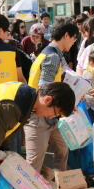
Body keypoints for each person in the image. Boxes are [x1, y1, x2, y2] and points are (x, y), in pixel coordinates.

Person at [26, 17, 79, 172]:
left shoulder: (49, 53)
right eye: (74, 38)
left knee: (62, 151)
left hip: (52, 115)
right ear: (66, 35)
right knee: (34, 163)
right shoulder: (53, 56)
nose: (74, 42)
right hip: (40, 115)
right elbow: (45, 90)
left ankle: (59, 188)